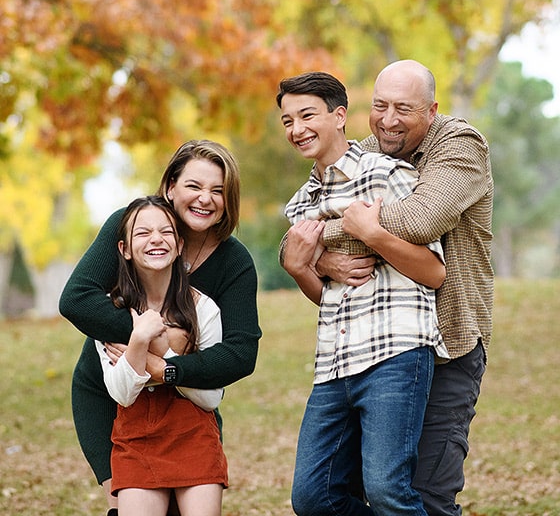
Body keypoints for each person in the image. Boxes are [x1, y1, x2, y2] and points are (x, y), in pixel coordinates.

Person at [314, 60, 494, 515]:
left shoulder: (459, 145)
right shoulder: (368, 149)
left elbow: (421, 219)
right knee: (340, 493)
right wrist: (319, 255)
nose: (388, 120)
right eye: (380, 106)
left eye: (404, 109)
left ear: (431, 110)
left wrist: (337, 224)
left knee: (424, 498)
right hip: (376, 351)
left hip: (447, 346)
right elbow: (294, 230)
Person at [277, 71, 449, 516]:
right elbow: (326, 293)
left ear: (339, 116)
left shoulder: (386, 174)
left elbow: (433, 272)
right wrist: (304, 268)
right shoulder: (300, 204)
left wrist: (369, 234)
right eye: (287, 121)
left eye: (307, 115)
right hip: (333, 361)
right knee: (313, 498)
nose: (297, 129)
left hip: (396, 352)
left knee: (388, 490)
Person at [59, 140, 261, 515]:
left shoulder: (234, 262)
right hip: (110, 395)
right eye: (194, 186)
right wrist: (152, 336)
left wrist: (166, 367)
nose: (205, 199)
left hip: (186, 403)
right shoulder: (132, 226)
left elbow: (239, 353)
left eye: (218, 190)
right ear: (170, 187)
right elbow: (76, 299)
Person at [96, 195, 227, 515]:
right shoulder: (109, 312)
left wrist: (161, 354)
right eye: (142, 233)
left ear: (180, 245)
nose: (156, 239)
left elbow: (211, 398)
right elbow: (122, 393)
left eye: (166, 232)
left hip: (194, 437)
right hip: (136, 439)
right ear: (124, 249)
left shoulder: (204, 309)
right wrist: (140, 337)